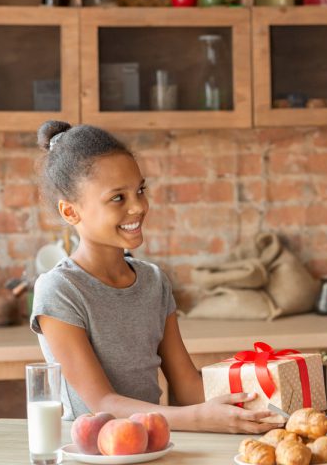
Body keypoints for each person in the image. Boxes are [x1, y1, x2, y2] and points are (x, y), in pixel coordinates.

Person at [30, 120, 279, 433]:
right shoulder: (60, 290)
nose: (138, 207)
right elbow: (103, 404)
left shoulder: (153, 281)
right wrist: (201, 418)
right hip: (90, 451)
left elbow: (187, 386)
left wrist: (262, 407)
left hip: (152, 444)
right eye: (118, 198)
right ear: (70, 212)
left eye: (140, 191)